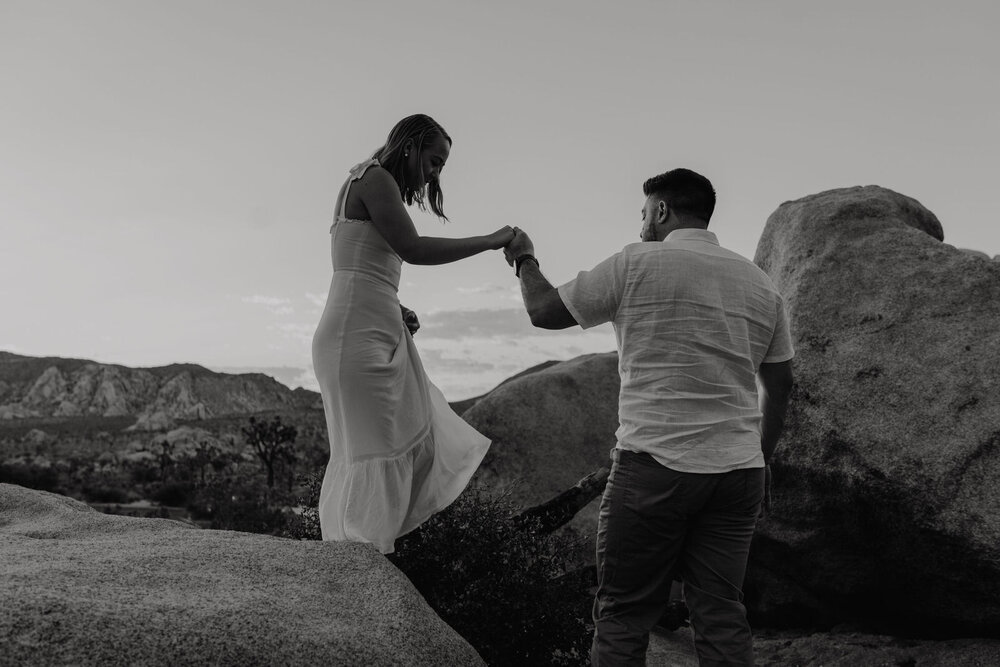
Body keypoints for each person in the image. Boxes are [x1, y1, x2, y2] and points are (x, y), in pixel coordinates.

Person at [503, 168, 794, 666]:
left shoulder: (636, 263)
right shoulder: (759, 283)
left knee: (623, 613)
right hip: (736, 475)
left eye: (643, 214)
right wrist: (759, 458)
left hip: (654, 469)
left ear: (661, 211)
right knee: (722, 613)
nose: (641, 225)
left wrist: (525, 259)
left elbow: (544, 310)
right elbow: (781, 385)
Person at [312, 114, 514, 554]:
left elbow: (362, 265)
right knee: (372, 449)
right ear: (410, 145)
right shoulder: (374, 177)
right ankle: (357, 555)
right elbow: (414, 249)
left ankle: (366, 552)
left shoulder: (371, 181)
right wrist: (490, 240)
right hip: (355, 337)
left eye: (441, 166)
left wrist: (395, 306)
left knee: (399, 435)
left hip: (371, 325)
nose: (434, 173)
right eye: (434, 161)